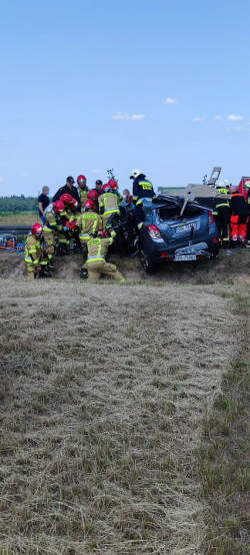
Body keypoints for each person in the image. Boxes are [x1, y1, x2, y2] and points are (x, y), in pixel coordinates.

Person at [79, 199, 102, 277]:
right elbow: (100, 230)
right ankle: (87, 271)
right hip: (92, 240)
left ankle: (84, 270)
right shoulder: (97, 216)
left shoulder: (82, 216)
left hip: (82, 240)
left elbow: (76, 227)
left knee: (85, 255)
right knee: (91, 256)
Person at [214, 183, 230, 248]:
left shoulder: (214, 191)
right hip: (226, 209)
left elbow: (213, 201)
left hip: (218, 210)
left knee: (218, 226)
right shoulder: (226, 190)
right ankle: (225, 243)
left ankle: (219, 242)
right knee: (225, 226)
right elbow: (230, 199)